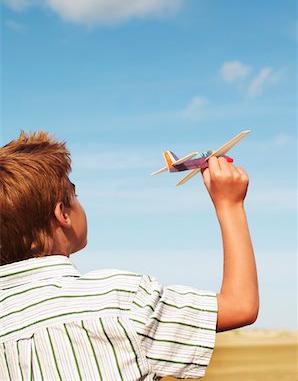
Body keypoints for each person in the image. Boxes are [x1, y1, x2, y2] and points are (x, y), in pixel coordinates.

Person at [0, 131, 259, 381]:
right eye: (74, 194)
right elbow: (240, 306)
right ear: (63, 215)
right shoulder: (121, 301)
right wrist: (230, 205)